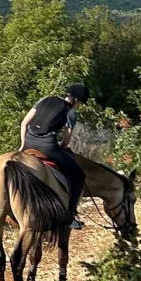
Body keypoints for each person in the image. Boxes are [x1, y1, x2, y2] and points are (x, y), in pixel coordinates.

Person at [18, 83, 89, 226]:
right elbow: (65, 142)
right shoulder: (71, 113)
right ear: (76, 100)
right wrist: (63, 147)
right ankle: (70, 215)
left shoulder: (44, 99)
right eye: (80, 103)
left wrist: (23, 145)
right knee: (79, 175)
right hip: (48, 147)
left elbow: (24, 123)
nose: (79, 106)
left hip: (28, 143)